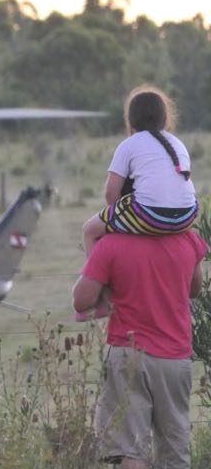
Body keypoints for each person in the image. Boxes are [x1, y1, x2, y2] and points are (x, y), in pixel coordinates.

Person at [73, 228, 206, 469]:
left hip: (128, 352)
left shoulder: (111, 244)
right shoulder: (189, 239)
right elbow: (194, 288)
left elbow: (82, 300)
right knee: (174, 441)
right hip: (175, 356)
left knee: (129, 442)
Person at [79, 86, 199, 319]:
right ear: (165, 118)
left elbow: (111, 192)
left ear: (131, 119)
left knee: (89, 231)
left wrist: (118, 220)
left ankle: (104, 295)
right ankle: (185, 297)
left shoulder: (129, 144)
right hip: (187, 215)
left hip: (150, 213)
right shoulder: (178, 143)